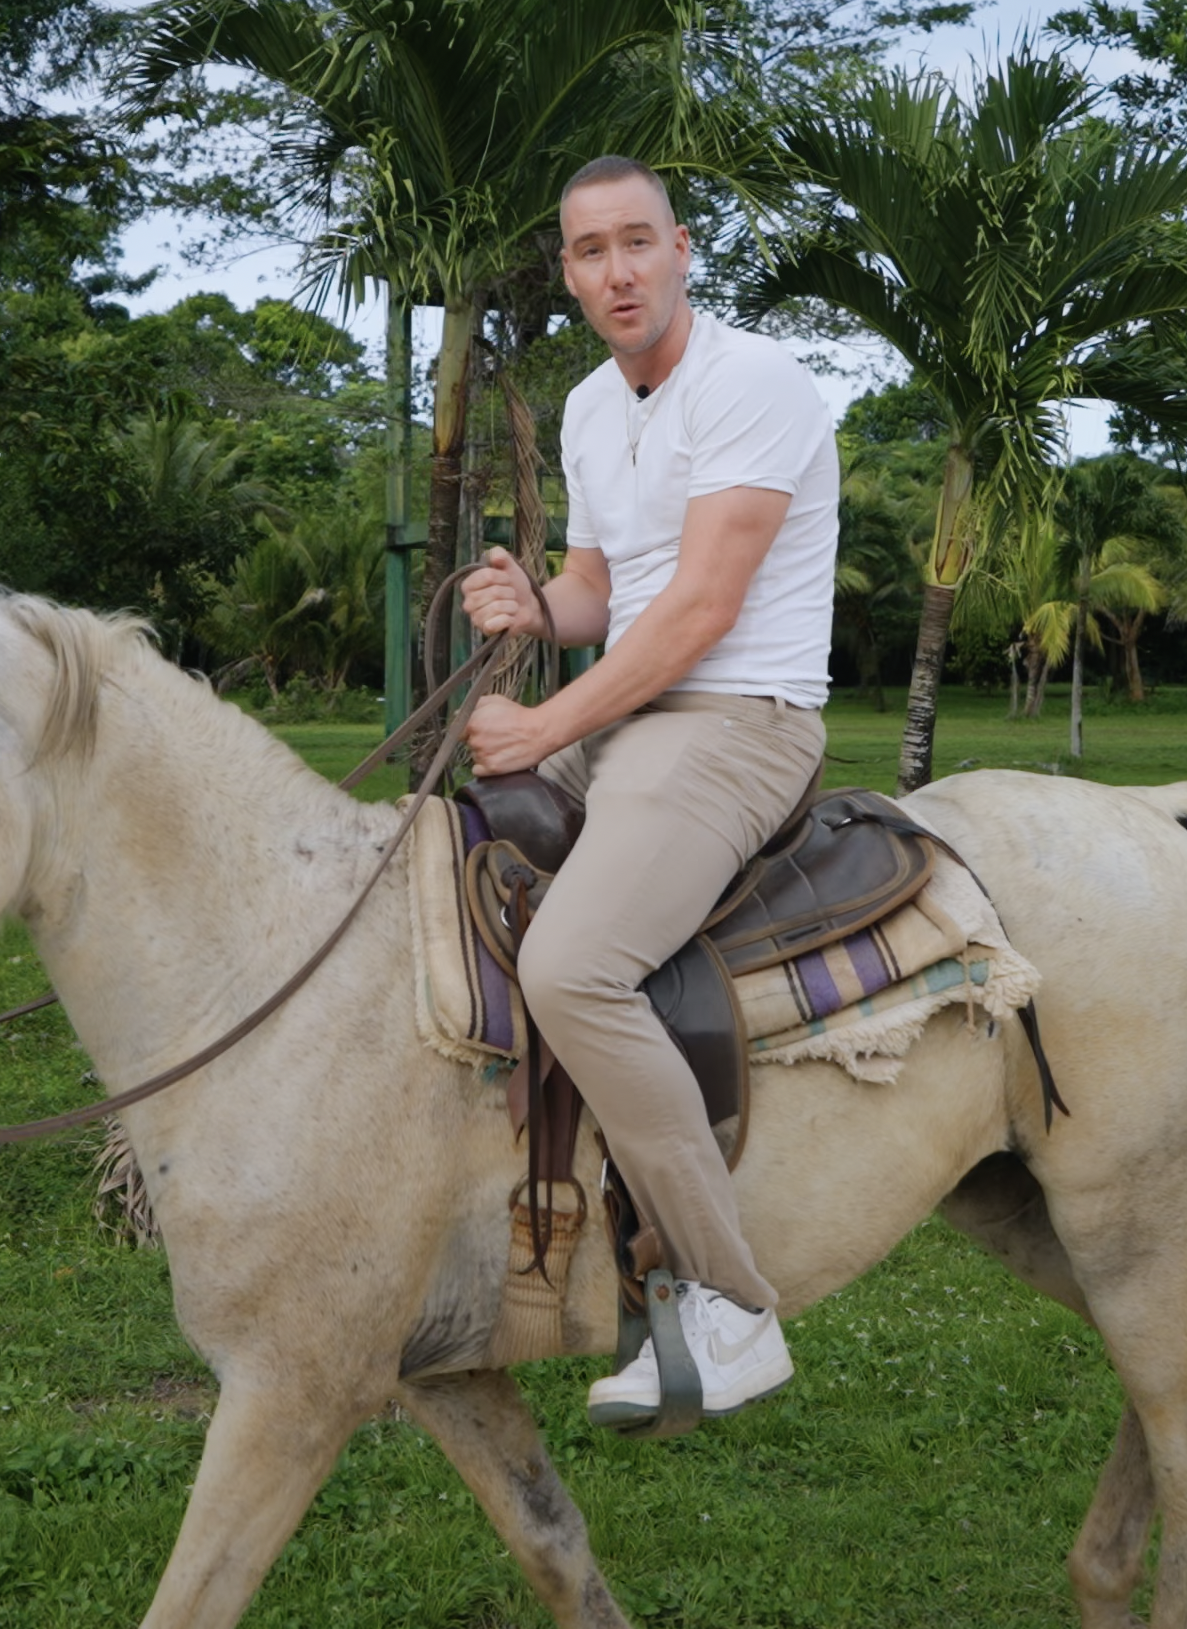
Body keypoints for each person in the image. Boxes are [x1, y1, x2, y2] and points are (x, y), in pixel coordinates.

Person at [458, 153, 839, 1427]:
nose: (615, 271)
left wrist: (543, 724)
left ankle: (730, 1305)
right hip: (627, 707)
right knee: (439, 864)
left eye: (636, 243)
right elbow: (602, 594)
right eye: (587, 252)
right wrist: (532, 604)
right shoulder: (585, 405)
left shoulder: (755, 383)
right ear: (565, 273)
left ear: (682, 249)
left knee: (572, 966)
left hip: (737, 719)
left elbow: (698, 611)